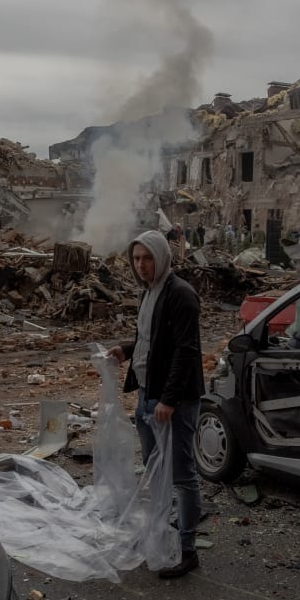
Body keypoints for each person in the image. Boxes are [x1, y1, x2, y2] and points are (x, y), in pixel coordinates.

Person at [108, 230, 204, 579]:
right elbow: (150, 341)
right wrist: (126, 350)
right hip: (148, 395)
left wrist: (169, 399)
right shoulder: (149, 292)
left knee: (181, 474)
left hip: (172, 401)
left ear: (161, 257)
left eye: (147, 258)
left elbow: (186, 351)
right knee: (155, 469)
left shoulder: (181, 295)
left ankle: (188, 549)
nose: (141, 265)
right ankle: (163, 531)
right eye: (136, 259)